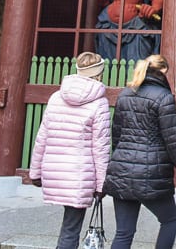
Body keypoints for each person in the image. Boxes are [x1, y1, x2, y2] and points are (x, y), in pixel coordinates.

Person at [103, 54, 176, 249]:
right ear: (162, 71)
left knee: (124, 232)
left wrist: (116, 163)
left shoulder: (125, 94)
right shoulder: (163, 97)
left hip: (123, 169)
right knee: (169, 221)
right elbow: (173, 141)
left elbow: (116, 134)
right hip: (151, 172)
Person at [28, 52, 111, 249]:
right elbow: (100, 147)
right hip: (79, 172)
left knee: (69, 226)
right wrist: (101, 185)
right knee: (71, 228)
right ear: (99, 73)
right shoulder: (99, 102)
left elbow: (43, 137)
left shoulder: (56, 97)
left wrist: (35, 171)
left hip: (54, 168)